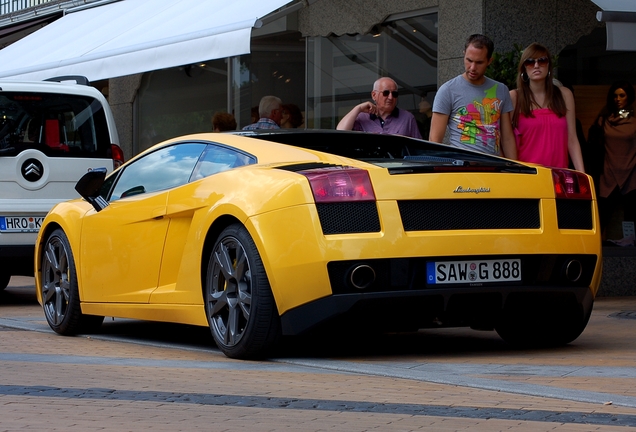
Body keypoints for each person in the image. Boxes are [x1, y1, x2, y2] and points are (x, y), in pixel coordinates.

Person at [429, 34, 517, 159]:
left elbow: (507, 137)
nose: (472, 68)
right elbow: (434, 140)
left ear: (489, 61)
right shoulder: (448, 90)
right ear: (464, 54)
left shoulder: (501, 90)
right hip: (461, 167)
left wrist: (515, 169)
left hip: (493, 167)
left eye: (479, 62)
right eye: (469, 60)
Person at [509, 43, 585, 172]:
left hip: (558, 175)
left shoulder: (564, 94)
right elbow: (506, 139)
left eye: (542, 60)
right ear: (524, 69)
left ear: (549, 65)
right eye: (530, 62)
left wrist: (582, 174)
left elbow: (572, 139)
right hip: (526, 174)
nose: (537, 65)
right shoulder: (514, 96)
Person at [590, 81, 636, 246]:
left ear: (629, 97)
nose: (618, 99)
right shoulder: (603, 120)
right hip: (608, 174)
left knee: (631, 215)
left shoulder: (634, 120)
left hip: (631, 174)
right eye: (615, 95)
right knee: (602, 215)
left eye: (622, 95)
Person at [336, 77, 422, 139]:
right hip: (369, 163)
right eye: (386, 93)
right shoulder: (362, 117)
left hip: (398, 164)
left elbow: (419, 148)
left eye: (394, 94)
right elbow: (340, 132)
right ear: (374, 95)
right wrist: (358, 108)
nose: (390, 97)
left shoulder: (407, 118)